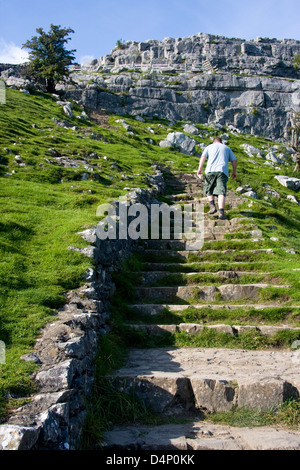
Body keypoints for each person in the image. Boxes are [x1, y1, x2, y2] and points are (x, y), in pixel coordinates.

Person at [197, 137, 237, 220]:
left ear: (213, 142)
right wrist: (234, 171)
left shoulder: (209, 147)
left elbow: (203, 157)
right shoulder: (227, 148)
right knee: (221, 191)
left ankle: (212, 206)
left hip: (210, 171)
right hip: (222, 171)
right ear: (221, 142)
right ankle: (221, 212)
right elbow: (234, 160)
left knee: (208, 188)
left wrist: (200, 169)